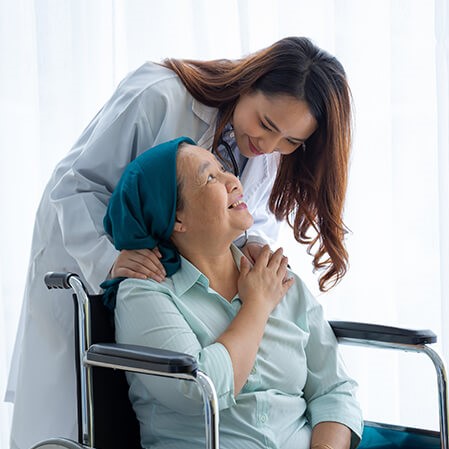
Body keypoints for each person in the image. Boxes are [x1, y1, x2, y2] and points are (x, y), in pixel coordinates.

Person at [6, 36, 353, 449]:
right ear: (249, 82)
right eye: (267, 125)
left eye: (291, 142)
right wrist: (110, 259)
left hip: (201, 295)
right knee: (82, 414)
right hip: (107, 271)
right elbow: (75, 186)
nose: (270, 147)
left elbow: (336, 391)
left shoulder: (265, 152)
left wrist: (254, 243)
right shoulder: (160, 95)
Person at [105, 137, 363, 449]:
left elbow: (334, 390)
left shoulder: (277, 275)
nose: (233, 180)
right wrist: (256, 305)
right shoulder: (144, 294)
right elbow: (199, 391)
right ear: (175, 218)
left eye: (224, 169)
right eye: (209, 177)